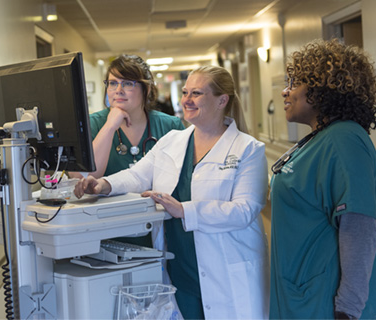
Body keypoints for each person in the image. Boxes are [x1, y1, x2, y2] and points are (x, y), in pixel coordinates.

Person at [74, 65, 269, 319]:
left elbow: (245, 210)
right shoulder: (173, 141)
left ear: (222, 100)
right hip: (180, 271)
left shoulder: (248, 149)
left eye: (196, 93)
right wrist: (103, 185)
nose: (186, 100)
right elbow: (136, 175)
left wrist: (183, 209)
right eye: (186, 92)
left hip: (227, 270)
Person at [269, 39, 376, 319]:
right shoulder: (320, 139)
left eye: (294, 83)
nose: (284, 91)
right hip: (307, 288)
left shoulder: (345, 140)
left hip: (331, 300)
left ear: (322, 90)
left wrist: (348, 309)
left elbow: (359, 228)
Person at [70, 54, 184, 246]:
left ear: (146, 89)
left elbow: (184, 183)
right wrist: (109, 127)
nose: (118, 90)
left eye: (128, 84)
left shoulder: (170, 126)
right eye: (113, 83)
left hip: (160, 232)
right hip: (106, 234)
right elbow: (82, 179)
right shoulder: (93, 124)